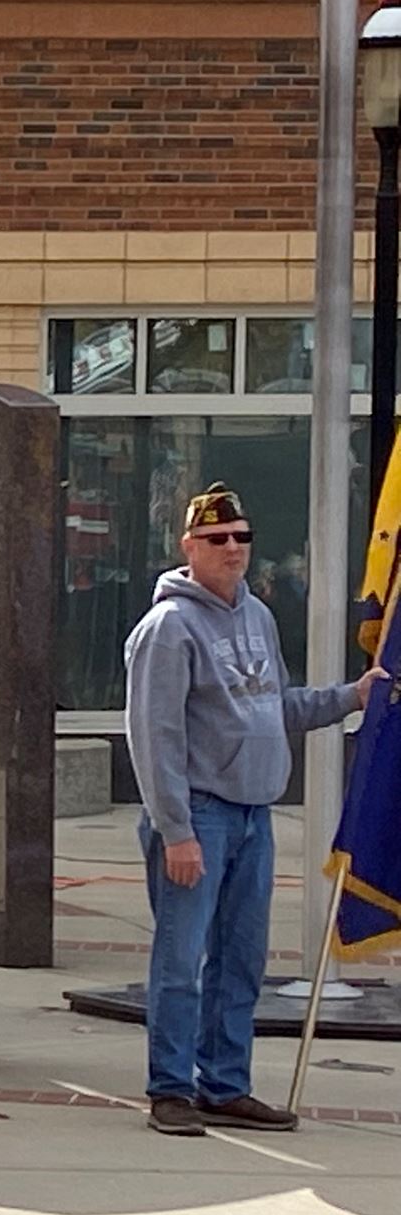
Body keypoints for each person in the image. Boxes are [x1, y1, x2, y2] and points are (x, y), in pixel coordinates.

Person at [123, 485, 382, 1136]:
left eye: (242, 536)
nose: (233, 548)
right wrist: (176, 830)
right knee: (182, 963)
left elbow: (276, 706)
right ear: (188, 548)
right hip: (198, 818)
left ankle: (226, 1085)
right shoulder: (168, 628)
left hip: (251, 816)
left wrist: (351, 696)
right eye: (217, 539)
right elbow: (154, 737)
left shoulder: (257, 617)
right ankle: (171, 1090)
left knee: (241, 963)